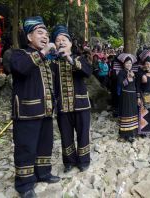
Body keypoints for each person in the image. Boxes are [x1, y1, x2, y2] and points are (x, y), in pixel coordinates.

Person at [10, 16, 60, 198]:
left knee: (45, 144)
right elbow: (21, 68)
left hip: (46, 111)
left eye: (46, 34)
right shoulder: (18, 54)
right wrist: (43, 52)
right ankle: (24, 185)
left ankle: (43, 173)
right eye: (40, 33)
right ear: (29, 37)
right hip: (26, 112)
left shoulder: (46, 59)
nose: (45, 36)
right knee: (26, 147)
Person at [51, 25, 92, 173]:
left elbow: (87, 72)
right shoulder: (53, 63)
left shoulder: (79, 58)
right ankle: (69, 161)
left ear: (70, 43)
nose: (61, 42)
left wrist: (69, 58)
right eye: (57, 40)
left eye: (64, 40)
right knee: (66, 135)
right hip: (62, 106)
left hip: (81, 105)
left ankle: (84, 160)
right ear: (54, 44)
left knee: (82, 134)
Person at [116, 53, 139, 142]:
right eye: (127, 63)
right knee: (126, 113)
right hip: (125, 96)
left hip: (133, 96)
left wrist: (134, 77)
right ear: (123, 64)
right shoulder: (121, 72)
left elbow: (136, 85)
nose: (129, 64)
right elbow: (120, 84)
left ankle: (133, 133)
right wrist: (127, 79)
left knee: (133, 113)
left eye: (130, 63)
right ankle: (125, 134)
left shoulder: (133, 73)